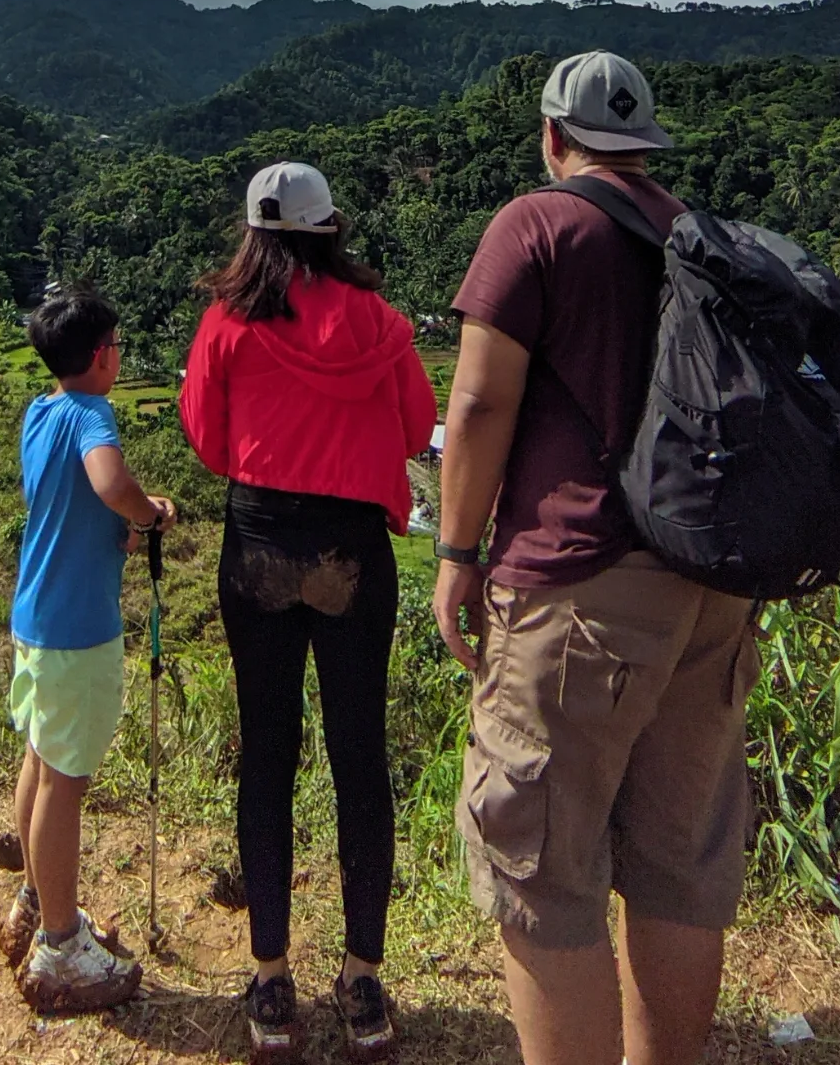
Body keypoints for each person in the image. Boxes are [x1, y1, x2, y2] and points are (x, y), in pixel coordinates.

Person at [433, 52, 761, 1065]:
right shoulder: (697, 236)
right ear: (644, 141)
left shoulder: (536, 225)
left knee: (545, 873)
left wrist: (457, 553)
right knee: (678, 867)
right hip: (709, 587)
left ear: (551, 136)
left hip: (579, 591)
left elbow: (479, 403)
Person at [181, 162, 437, 1064]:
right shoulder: (379, 324)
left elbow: (208, 438)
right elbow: (417, 430)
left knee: (268, 754)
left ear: (253, 235)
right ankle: (362, 979)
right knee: (359, 756)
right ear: (330, 229)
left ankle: (270, 978)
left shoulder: (226, 322)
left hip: (258, 542)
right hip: (350, 553)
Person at [0, 287, 178, 1014]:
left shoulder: (40, 412)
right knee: (65, 779)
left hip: (35, 615)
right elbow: (106, 479)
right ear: (103, 355)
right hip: (77, 628)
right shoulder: (91, 413)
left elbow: (63, 498)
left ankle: (34, 900)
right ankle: (61, 944)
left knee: (40, 759)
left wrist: (115, 530)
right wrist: (149, 512)